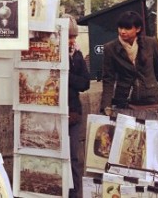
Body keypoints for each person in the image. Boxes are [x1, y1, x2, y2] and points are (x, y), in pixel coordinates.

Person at [100, 10, 158, 114]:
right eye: (120, 27)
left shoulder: (151, 43)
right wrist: (106, 106)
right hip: (124, 102)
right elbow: (108, 80)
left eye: (127, 28)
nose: (122, 31)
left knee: (150, 130)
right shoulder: (110, 48)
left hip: (150, 100)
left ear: (138, 29)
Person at [67, 15, 90, 198]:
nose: (72, 40)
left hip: (73, 112)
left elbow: (85, 83)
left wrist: (66, 77)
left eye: (73, 36)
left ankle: (75, 193)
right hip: (57, 112)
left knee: (74, 157)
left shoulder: (77, 55)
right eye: (69, 36)